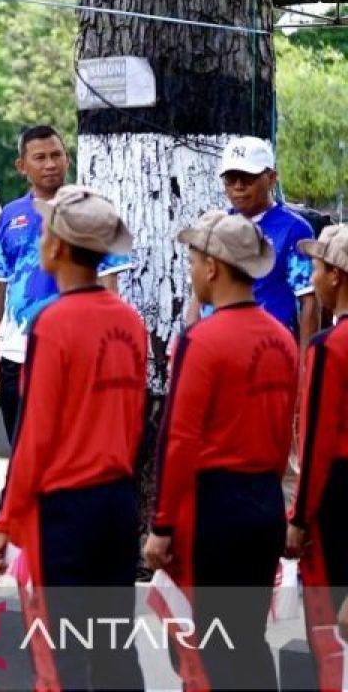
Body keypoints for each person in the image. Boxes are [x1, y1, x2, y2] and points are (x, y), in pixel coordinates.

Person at [0, 186, 146, 691]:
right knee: (116, 647)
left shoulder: (53, 323)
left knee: (65, 653)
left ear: (56, 247)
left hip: (68, 510)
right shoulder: (130, 321)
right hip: (118, 504)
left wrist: (6, 523)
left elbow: (35, 434)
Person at [144, 210, 297, 690]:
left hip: (216, 510)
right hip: (265, 505)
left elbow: (181, 437)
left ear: (212, 266)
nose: (190, 270)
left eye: (193, 259)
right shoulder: (283, 340)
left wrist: (162, 525)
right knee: (249, 639)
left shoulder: (202, 340)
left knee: (213, 647)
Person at [0, 125, 130, 444]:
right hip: (17, 354)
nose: (50, 164)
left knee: (70, 448)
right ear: (22, 166)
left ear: (68, 159)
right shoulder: (11, 216)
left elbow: (109, 282)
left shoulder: (91, 211)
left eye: (56, 155)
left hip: (75, 355)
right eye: (40, 157)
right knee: (23, 448)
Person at [285, 224, 348, 690]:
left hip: (337, 499)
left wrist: (299, 518)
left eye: (318, 267)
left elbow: (317, 443)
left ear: (337, 276)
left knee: (328, 632)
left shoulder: (329, 348)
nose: (314, 275)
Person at [186, 136, 316, 349]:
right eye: (230, 178)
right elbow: (198, 297)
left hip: (270, 350)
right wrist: (188, 340)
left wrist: (305, 368)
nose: (238, 186)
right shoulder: (217, 225)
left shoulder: (294, 230)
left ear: (271, 178)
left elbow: (309, 302)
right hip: (216, 347)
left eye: (247, 178)